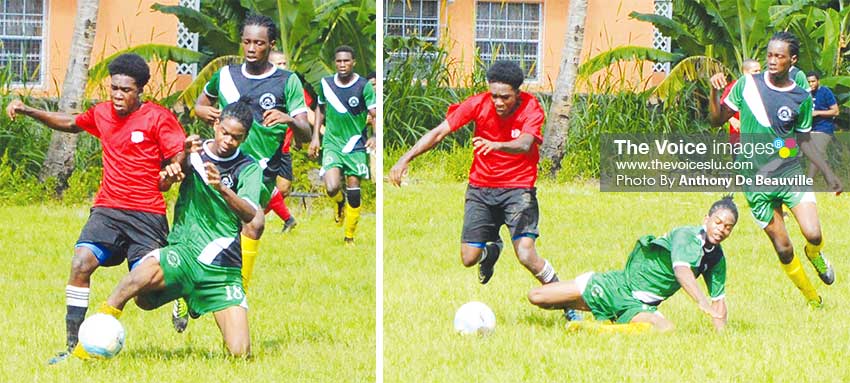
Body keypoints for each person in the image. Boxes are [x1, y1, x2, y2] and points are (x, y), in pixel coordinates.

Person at [5, 53, 186, 364]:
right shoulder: (102, 113)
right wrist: (27, 109)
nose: (117, 95)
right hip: (108, 210)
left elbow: (177, 154)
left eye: (125, 90)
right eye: (113, 88)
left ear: (140, 90)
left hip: (147, 215)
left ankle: (181, 292)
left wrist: (171, 171)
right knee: (80, 263)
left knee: (144, 297)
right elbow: (70, 123)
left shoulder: (157, 118)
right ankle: (73, 346)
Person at [389, 60, 579, 320]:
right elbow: (439, 132)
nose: (499, 102)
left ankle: (568, 305)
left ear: (517, 93)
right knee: (468, 259)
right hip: (480, 189)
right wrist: (405, 158)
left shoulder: (531, 108)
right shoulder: (478, 104)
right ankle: (492, 250)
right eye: (494, 96)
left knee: (526, 254)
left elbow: (525, 144)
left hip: (518, 190)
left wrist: (497, 145)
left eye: (505, 97)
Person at [76, 99, 261, 359]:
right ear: (216, 125)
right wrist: (176, 163)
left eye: (236, 137)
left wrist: (222, 188)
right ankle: (87, 349)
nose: (228, 140)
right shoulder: (196, 153)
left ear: (245, 138)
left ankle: (190, 297)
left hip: (222, 267)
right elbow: (167, 180)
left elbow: (250, 213)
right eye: (225, 132)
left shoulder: (249, 167)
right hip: (184, 252)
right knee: (136, 286)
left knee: (240, 354)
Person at [708, 32, 842, 308]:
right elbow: (715, 120)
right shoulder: (747, 85)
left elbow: (803, 139)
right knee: (784, 248)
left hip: (789, 172)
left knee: (813, 234)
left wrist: (828, 173)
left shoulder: (801, 97)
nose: (772, 61)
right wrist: (713, 91)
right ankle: (813, 299)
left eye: (779, 56)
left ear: (792, 60)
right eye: (769, 55)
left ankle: (815, 255)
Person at [193, 14, 311, 301]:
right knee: (221, 231)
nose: (251, 48)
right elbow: (200, 103)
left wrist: (289, 119)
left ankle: (237, 292)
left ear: (271, 45)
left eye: (259, 43)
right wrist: (202, 111)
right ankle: (196, 292)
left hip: (259, 169)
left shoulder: (287, 81)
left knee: (252, 224)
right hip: (223, 162)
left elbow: (306, 133)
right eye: (246, 41)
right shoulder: (225, 75)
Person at [528, 196, 738, 333]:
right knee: (537, 297)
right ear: (706, 219)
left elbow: (719, 301)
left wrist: (721, 335)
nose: (721, 229)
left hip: (640, 305)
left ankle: (597, 328)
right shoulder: (686, 235)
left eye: (728, 227)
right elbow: (682, 272)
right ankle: (602, 314)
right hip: (616, 285)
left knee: (666, 329)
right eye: (718, 222)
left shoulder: (716, 259)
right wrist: (701, 301)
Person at [309, 45, 377, 244]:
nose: (342, 64)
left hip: (355, 144)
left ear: (353, 62)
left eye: (346, 61)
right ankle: (339, 202)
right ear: (334, 63)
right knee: (331, 187)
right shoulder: (326, 83)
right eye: (339, 61)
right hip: (332, 143)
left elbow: (374, 114)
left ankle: (349, 237)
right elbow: (320, 109)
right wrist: (315, 138)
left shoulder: (363, 86)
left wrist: (374, 136)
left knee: (354, 190)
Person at [710, 59, 761, 144]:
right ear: (745, 72)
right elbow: (722, 108)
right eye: (755, 71)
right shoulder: (735, 87)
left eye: (759, 70)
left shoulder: (761, 87)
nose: (758, 74)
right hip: (738, 137)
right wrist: (732, 120)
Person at [805, 71, 840, 181]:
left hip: (824, 127)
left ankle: (808, 182)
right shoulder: (806, 93)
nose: (811, 84)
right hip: (810, 128)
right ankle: (833, 182)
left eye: (813, 81)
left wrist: (818, 113)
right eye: (809, 82)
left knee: (817, 153)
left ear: (818, 81)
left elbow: (835, 111)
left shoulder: (825, 92)